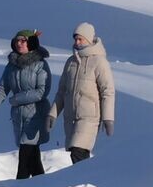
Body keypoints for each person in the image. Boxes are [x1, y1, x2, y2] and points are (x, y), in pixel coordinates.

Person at [0, 29, 52, 179]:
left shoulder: (41, 64)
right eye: (17, 41)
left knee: (24, 159)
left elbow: (42, 91)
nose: (19, 43)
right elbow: (2, 89)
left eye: (23, 41)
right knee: (33, 160)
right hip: (19, 117)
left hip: (36, 115)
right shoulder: (12, 66)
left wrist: (17, 99)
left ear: (31, 43)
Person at [48, 22, 115, 164]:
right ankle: (82, 183)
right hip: (70, 117)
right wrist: (53, 114)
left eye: (80, 39)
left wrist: (108, 118)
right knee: (75, 153)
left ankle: (82, 184)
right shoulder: (70, 62)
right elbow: (62, 91)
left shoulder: (99, 61)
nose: (76, 42)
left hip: (89, 117)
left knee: (79, 150)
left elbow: (107, 92)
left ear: (89, 39)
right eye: (75, 39)